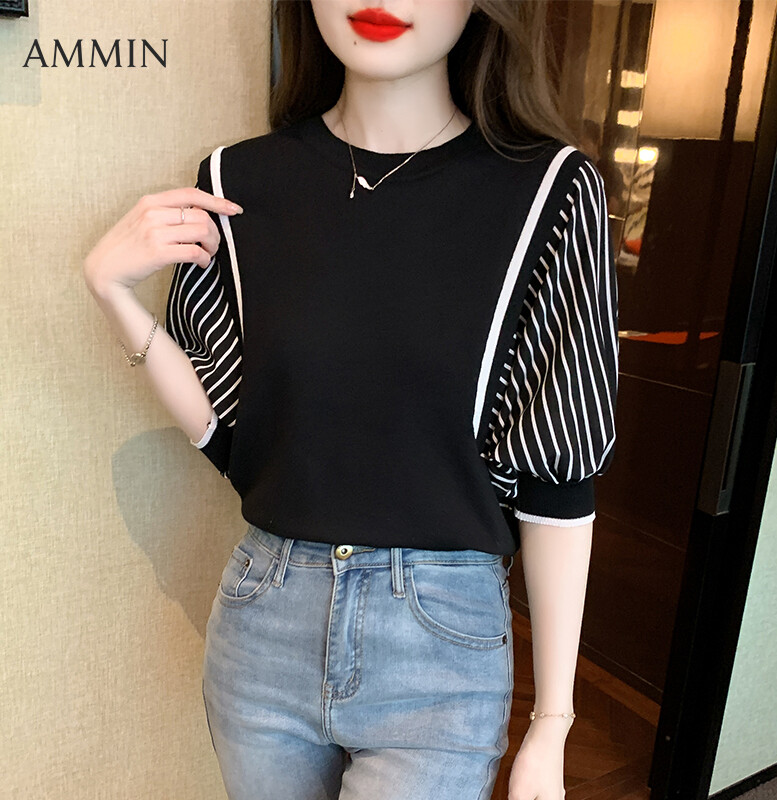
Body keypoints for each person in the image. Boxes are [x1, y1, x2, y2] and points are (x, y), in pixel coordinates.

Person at [82, 1, 618, 798]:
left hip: (441, 640)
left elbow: (557, 483)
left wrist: (554, 721)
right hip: (265, 620)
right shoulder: (238, 181)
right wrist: (114, 294)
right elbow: (233, 435)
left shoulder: (548, 192)